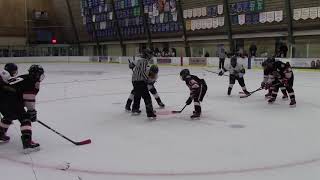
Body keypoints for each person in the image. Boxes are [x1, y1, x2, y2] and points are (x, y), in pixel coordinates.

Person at [0, 64, 45, 153]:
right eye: (41, 75)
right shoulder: (33, 82)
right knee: (25, 118)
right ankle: (27, 144)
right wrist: (31, 111)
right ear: (37, 75)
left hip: (2, 98)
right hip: (10, 99)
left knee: (9, 115)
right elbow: (29, 98)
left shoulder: (23, 77)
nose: (41, 77)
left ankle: (0, 135)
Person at [131, 48, 157, 119]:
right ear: (147, 55)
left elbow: (133, 65)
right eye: (150, 54)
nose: (151, 56)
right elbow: (143, 72)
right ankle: (150, 113)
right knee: (147, 97)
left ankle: (135, 109)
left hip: (135, 81)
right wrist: (147, 79)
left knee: (137, 95)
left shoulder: (140, 60)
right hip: (139, 81)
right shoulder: (144, 61)